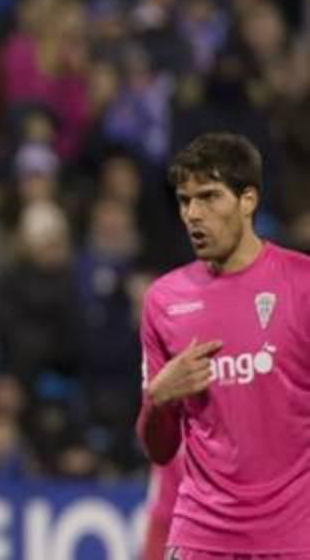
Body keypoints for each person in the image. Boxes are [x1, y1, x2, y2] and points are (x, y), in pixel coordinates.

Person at [136, 132, 310, 558]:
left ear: (247, 200)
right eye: (184, 200)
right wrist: (159, 399)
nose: (194, 214)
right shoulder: (164, 300)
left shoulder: (302, 286)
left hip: (296, 539)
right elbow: (160, 450)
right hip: (201, 539)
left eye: (210, 197)